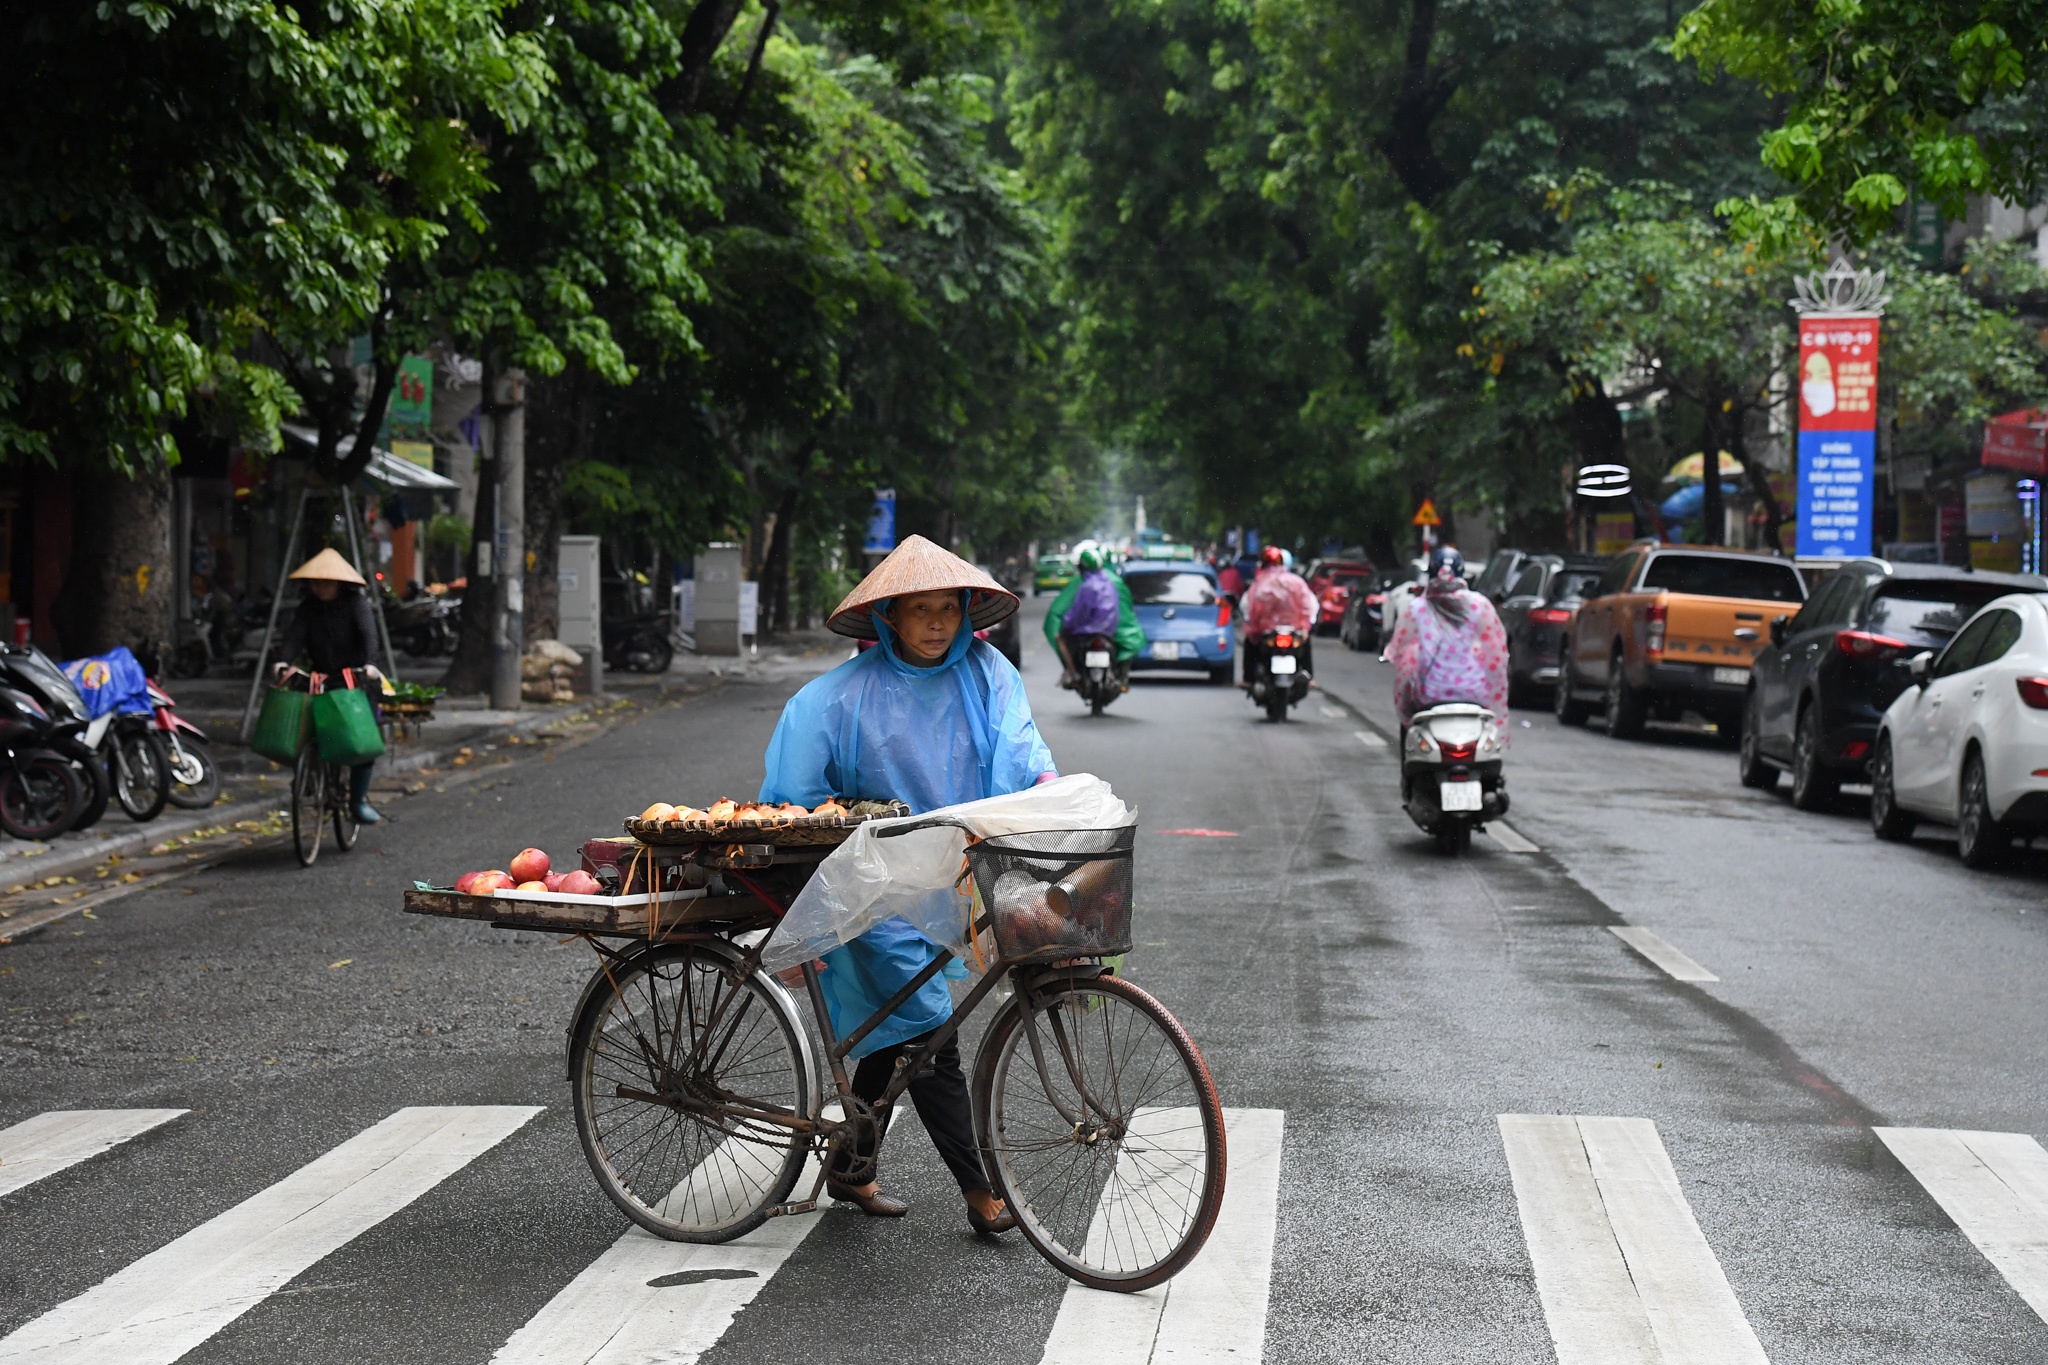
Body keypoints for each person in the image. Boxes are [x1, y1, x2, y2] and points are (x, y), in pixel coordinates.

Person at [758, 534, 1056, 1235]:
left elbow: (1021, 748)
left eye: (946, 609)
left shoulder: (988, 674)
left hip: (955, 878)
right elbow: (796, 799)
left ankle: (850, 1168)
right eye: (918, 610)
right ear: (889, 617)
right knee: (927, 1030)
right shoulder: (834, 699)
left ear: (965, 613)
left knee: (896, 1032)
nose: (934, 624)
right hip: (872, 891)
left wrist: (1049, 789)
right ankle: (981, 1193)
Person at [272, 547, 385, 824]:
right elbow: (294, 636)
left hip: (356, 680)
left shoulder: (356, 604)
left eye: (325, 583)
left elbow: (370, 635)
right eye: (316, 582)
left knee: (362, 742)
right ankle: (310, 775)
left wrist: (370, 665)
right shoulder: (308, 608)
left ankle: (357, 800)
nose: (319, 587)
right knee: (309, 730)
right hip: (321, 679)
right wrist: (283, 661)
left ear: (338, 583)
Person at [1383, 545, 1509, 729]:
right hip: (1474, 692)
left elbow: (1400, 646)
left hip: (1429, 694)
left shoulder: (1416, 608)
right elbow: (1496, 650)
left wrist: (1391, 654)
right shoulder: (1480, 605)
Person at [1043, 548, 1143, 688]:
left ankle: (1072, 672)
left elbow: (1078, 612)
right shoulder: (1112, 582)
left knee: (1061, 639)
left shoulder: (1086, 586)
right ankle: (1121, 677)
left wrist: (1067, 624)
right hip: (1109, 630)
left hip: (1086, 631)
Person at [1238, 544, 1319, 683]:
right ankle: (1309, 677)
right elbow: (1310, 604)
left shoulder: (1259, 583)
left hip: (1268, 631)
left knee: (1250, 643)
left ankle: (1248, 679)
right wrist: (1306, 626)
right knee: (1305, 642)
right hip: (1292, 629)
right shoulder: (1296, 581)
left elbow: (1247, 607)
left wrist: (1252, 625)